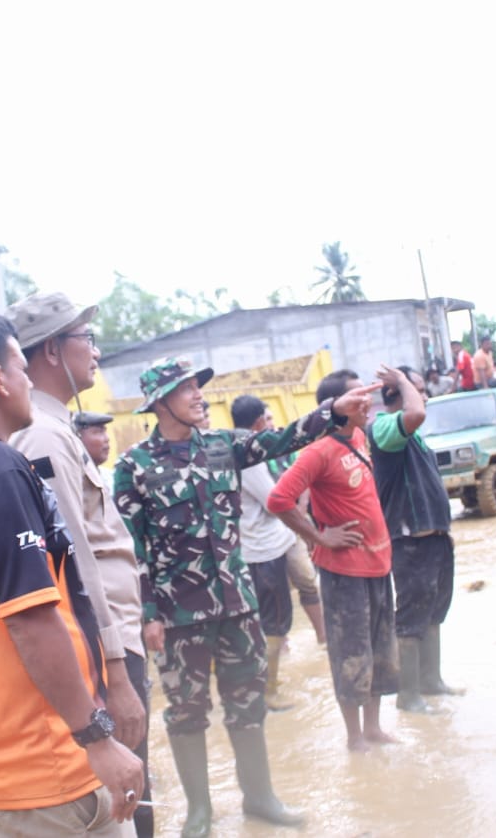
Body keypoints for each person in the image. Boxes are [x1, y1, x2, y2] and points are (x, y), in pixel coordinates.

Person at [115, 357, 373, 836]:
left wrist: (334, 411)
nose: (198, 395)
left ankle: (260, 798)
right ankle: (199, 813)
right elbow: (136, 548)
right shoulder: (134, 467)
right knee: (186, 712)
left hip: (238, 603)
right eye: (186, 388)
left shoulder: (223, 446)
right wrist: (148, 614)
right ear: (159, 403)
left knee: (248, 703)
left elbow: (284, 438)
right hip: (178, 614)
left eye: (198, 386)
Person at [0, 312, 143, 836]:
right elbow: (33, 622)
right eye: (21, 367)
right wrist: (98, 738)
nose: (27, 380)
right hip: (47, 764)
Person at [6, 292, 152, 837]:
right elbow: (74, 564)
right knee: (128, 795)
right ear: (50, 350)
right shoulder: (44, 435)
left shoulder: (58, 427)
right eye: (84, 339)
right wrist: (114, 670)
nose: (94, 350)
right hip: (98, 653)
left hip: (108, 642)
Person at [267, 370, 398, 751]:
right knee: (350, 652)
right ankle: (354, 737)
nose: (367, 401)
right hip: (344, 571)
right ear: (335, 407)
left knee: (378, 649)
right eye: (358, 396)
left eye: (367, 393)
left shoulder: (359, 437)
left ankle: (373, 729)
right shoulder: (318, 451)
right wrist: (320, 536)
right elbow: (279, 500)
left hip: (378, 563)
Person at [368, 365, 461, 713]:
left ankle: (431, 681)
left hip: (433, 538)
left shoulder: (413, 437)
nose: (424, 396)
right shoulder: (384, 428)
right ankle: (408, 696)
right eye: (417, 389)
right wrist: (404, 382)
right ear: (396, 394)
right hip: (409, 542)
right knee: (410, 618)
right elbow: (416, 412)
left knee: (434, 611)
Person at [229, 395, 303, 712]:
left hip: (254, 548)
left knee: (267, 623)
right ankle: (268, 692)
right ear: (259, 422)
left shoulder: (231, 448)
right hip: (264, 549)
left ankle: (259, 688)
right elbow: (274, 501)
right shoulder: (251, 456)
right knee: (274, 624)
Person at [75, 411, 116, 491]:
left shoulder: (110, 477)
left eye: (104, 431)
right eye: (98, 432)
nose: (107, 439)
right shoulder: (74, 481)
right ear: (78, 438)